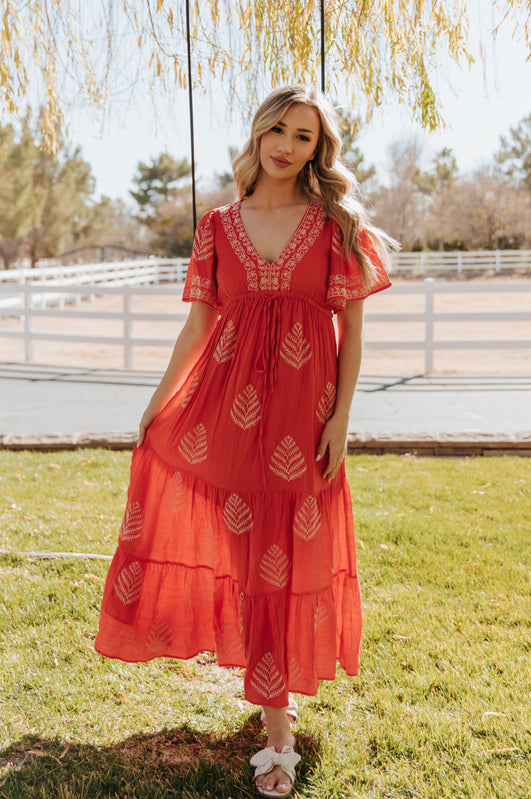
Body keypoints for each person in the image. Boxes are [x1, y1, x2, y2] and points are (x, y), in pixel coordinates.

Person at [95, 84, 394, 797]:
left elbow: (352, 332)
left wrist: (341, 417)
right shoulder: (216, 225)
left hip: (305, 411)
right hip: (225, 411)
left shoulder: (332, 224)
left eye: (305, 137)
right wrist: (159, 399)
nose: (288, 146)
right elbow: (198, 325)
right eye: (280, 130)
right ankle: (273, 714)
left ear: (319, 150)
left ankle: (277, 725)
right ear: (259, 133)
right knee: (246, 555)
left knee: (286, 559)